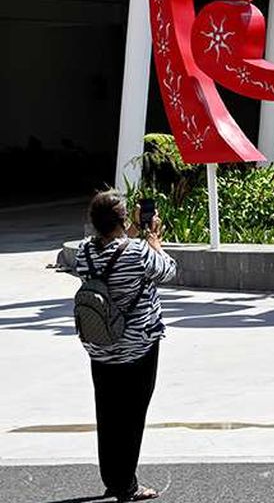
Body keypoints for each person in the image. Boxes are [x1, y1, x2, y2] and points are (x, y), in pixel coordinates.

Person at [75, 190, 177, 502]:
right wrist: (153, 241)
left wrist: (130, 233)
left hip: (100, 345)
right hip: (137, 346)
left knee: (108, 413)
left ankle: (113, 478)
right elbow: (169, 270)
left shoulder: (84, 253)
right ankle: (127, 486)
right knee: (132, 415)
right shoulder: (138, 253)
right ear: (122, 220)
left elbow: (112, 251)